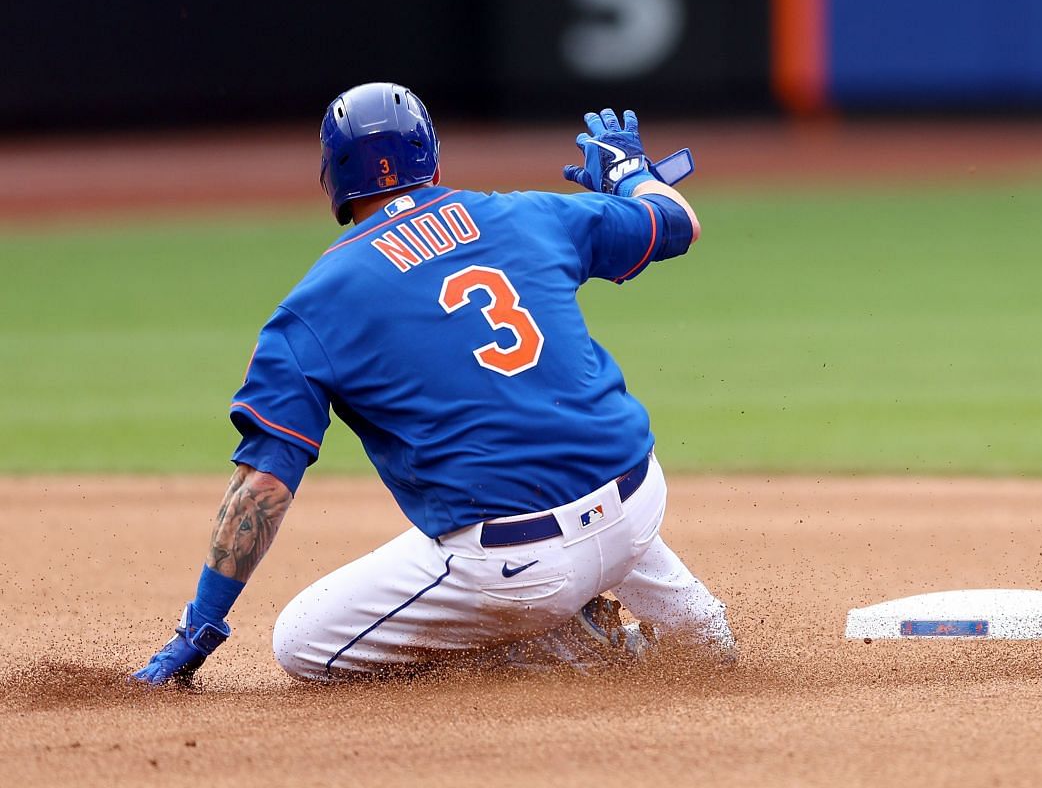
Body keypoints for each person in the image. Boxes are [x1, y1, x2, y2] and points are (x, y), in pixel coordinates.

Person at [132, 83, 734, 684]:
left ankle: (562, 646)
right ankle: (699, 630)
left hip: (516, 567)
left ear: (333, 181)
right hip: (637, 502)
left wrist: (199, 629)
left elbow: (262, 486)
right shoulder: (527, 214)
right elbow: (677, 220)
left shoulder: (314, 307)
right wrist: (630, 175)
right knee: (582, 472)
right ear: (433, 157)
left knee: (301, 642)